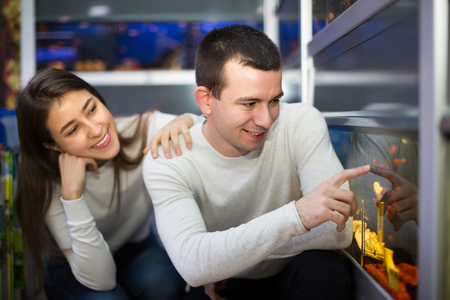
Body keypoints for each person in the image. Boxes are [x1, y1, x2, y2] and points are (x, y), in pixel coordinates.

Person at [143, 24, 370, 300]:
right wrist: (297, 216)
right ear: (205, 101)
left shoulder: (299, 122)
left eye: (274, 100)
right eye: (249, 104)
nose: (266, 120)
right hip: (224, 286)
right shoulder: (169, 158)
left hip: (290, 273)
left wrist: (222, 256)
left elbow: (338, 232)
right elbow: (193, 265)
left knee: (325, 268)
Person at [15, 68, 204, 300]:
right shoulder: (50, 183)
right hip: (75, 268)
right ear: (52, 145)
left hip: (136, 249)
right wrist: (72, 196)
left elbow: (208, 131)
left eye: (92, 109)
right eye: (73, 129)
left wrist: (187, 119)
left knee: (164, 283)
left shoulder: (143, 131)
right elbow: (101, 281)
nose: (96, 130)